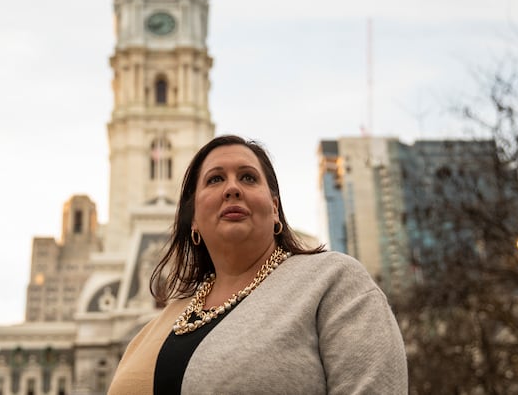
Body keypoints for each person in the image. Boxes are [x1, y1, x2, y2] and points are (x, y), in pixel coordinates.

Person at [108, 135, 408, 394]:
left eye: (248, 177)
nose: (232, 188)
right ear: (194, 219)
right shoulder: (163, 320)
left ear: (274, 208)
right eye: (215, 179)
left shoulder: (333, 282)